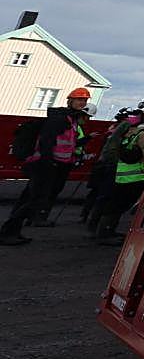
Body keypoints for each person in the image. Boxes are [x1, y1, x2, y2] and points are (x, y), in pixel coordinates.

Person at [0, 87, 92, 246]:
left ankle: (13, 231)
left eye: (84, 100)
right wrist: (48, 161)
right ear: (70, 100)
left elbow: (67, 143)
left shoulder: (70, 119)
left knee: (30, 198)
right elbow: (47, 141)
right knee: (33, 199)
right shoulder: (60, 119)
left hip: (53, 164)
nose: (82, 103)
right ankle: (8, 232)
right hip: (47, 165)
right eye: (79, 100)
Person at [92, 103, 144, 244]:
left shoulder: (134, 131)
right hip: (138, 176)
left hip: (122, 175)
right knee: (124, 206)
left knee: (115, 205)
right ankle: (106, 235)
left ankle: (105, 231)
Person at [81, 107, 141, 229]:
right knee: (106, 196)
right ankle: (97, 226)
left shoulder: (116, 129)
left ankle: (91, 221)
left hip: (105, 164)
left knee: (100, 194)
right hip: (112, 166)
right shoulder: (126, 128)